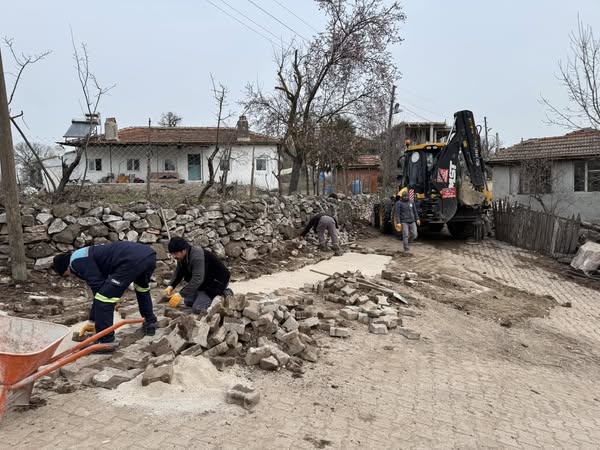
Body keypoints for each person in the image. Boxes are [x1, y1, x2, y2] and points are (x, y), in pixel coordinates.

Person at [52, 241, 158, 348]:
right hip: (148, 255)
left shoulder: (76, 261)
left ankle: (106, 341)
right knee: (142, 289)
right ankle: (150, 322)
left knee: (104, 300)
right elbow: (99, 287)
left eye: (66, 275)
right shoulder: (84, 255)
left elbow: (99, 289)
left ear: (65, 268)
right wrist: (92, 321)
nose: (70, 276)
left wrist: (94, 320)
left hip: (130, 260)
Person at [165, 237, 232, 314]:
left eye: (175, 253)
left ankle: (224, 293)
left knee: (197, 308)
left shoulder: (197, 257)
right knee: (188, 301)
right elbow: (179, 272)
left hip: (217, 282)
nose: (174, 256)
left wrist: (180, 294)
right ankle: (204, 296)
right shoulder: (183, 257)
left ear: (183, 251)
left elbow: (197, 279)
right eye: (172, 254)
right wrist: (171, 286)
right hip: (204, 282)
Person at [394, 191, 420, 255]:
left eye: (407, 196)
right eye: (404, 196)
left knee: (414, 234)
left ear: (408, 196)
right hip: (404, 221)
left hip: (412, 220)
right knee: (405, 235)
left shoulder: (411, 202)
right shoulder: (398, 203)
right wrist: (398, 222)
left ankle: (408, 243)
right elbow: (397, 213)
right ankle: (406, 249)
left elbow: (415, 211)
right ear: (402, 197)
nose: (406, 198)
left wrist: (417, 219)